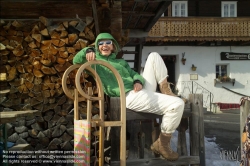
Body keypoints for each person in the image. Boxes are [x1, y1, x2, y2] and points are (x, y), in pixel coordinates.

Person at [73, 33, 184, 161]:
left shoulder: (120, 62)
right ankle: (162, 144)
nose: (104, 45)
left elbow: (134, 74)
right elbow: (76, 61)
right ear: (97, 47)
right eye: (101, 43)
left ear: (113, 46)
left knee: (154, 56)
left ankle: (166, 91)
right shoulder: (95, 62)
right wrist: (88, 49)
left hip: (138, 90)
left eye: (108, 43)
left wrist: (137, 81)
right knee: (177, 104)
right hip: (128, 96)